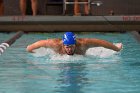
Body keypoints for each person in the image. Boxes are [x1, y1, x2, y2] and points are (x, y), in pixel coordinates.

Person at [26, 32, 123, 55]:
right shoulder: (55, 44)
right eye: (67, 47)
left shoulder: (83, 44)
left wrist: (116, 48)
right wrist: (30, 50)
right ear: (63, 45)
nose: (69, 49)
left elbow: (101, 43)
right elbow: (36, 45)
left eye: (72, 46)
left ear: (75, 44)